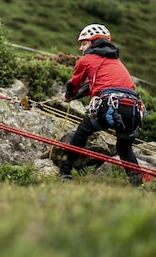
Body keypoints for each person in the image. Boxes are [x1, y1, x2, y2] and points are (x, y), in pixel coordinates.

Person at [57, 23, 146, 186]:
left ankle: (65, 172)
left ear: (94, 42)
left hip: (109, 105)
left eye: (83, 44)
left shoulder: (86, 60)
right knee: (124, 148)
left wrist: (68, 96)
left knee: (82, 133)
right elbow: (93, 86)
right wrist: (74, 96)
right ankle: (138, 185)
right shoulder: (117, 62)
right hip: (133, 108)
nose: (80, 49)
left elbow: (74, 84)